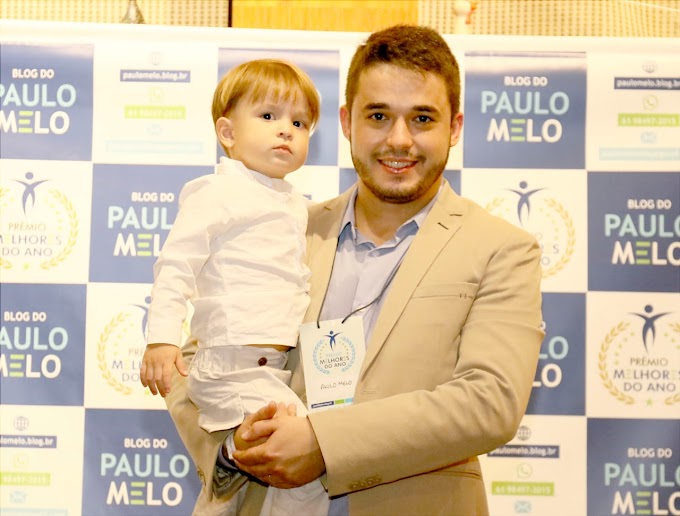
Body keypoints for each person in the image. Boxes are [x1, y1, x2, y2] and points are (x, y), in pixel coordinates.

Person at [166, 25, 544, 516]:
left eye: (423, 118)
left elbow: (489, 402)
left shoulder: (501, 248)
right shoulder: (285, 225)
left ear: (454, 128)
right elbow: (193, 362)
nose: (399, 140)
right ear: (347, 122)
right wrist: (236, 445)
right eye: (379, 115)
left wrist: (325, 444)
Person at [141, 59, 329, 515]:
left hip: (271, 366)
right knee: (303, 459)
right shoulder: (216, 192)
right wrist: (161, 337)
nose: (286, 130)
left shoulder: (294, 204)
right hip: (229, 365)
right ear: (227, 133)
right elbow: (176, 264)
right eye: (268, 117)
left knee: (258, 476)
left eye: (299, 122)